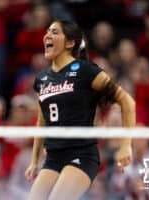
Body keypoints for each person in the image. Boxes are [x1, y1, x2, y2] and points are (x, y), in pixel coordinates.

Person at [25, 20, 135, 200]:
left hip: (82, 155)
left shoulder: (86, 71)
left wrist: (125, 146)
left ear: (70, 43)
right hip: (53, 158)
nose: (47, 36)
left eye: (54, 32)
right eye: (47, 32)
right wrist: (35, 161)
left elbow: (127, 101)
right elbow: (42, 120)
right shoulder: (42, 78)